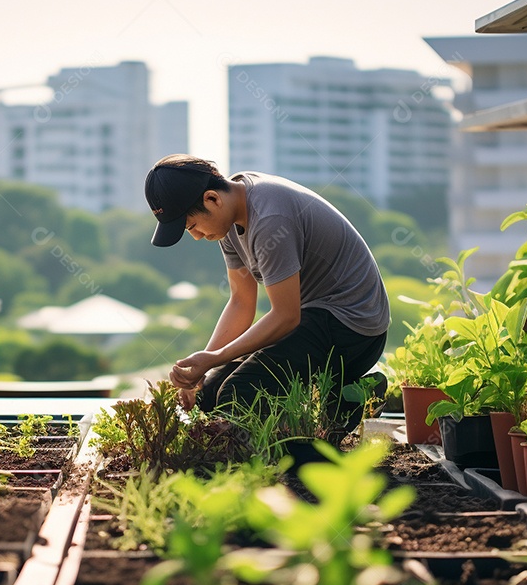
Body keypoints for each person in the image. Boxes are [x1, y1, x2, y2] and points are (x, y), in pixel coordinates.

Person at [144, 154, 390, 425]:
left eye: (192, 225)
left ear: (212, 199)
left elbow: (286, 316)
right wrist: (201, 370)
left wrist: (216, 358)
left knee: (240, 393)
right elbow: (241, 302)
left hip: (352, 325)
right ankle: (345, 393)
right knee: (211, 393)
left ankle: (349, 399)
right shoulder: (231, 214)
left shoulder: (270, 218)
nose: (197, 236)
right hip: (312, 318)